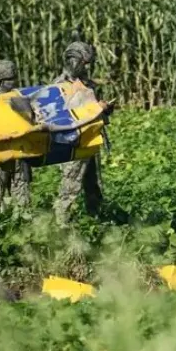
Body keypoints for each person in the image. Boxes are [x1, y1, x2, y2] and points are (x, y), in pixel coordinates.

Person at [53, 39, 115, 226]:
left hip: (90, 140)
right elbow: (64, 116)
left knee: (93, 185)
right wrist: (96, 108)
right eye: (84, 63)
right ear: (73, 60)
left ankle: (96, 220)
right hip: (72, 143)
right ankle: (64, 225)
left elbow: (92, 110)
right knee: (70, 186)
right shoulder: (59, 86)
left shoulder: (88, 83)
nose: (87, 67)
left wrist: (104, 110)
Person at [0, 59, 32, 214]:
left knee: (22, 196)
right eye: (11, 79)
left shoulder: (17, 97)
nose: (15, 82)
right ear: (1, 81)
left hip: (19, 153)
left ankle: (23, 228)